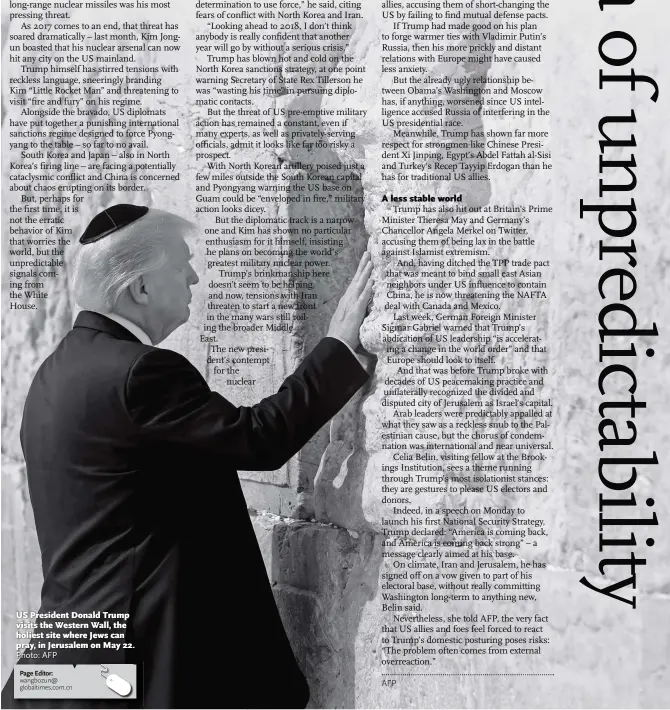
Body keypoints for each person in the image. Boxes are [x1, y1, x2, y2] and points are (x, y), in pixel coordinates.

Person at [2, 204, 373, 709]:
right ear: (142, 288)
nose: (195, 277)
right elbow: (258, 439)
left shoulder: (51, 376)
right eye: (182, 265)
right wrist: (337, 349)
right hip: (139, 672)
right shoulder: (142, 374)